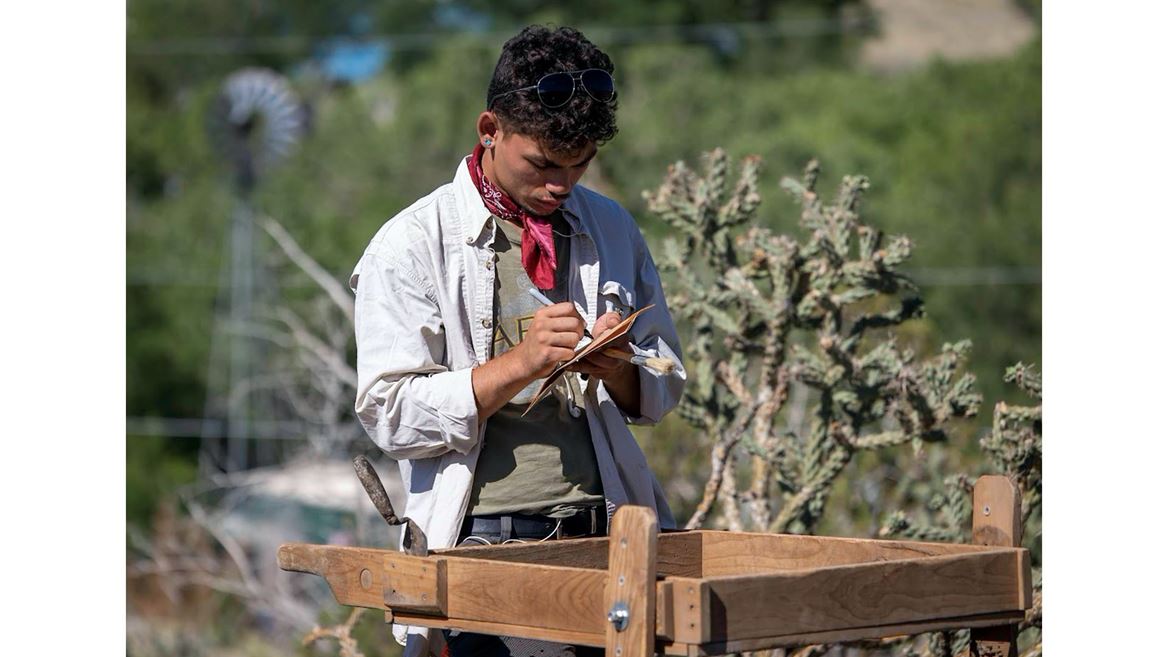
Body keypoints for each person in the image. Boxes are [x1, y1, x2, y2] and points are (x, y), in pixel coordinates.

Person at [350, 24, 686, 657]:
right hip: (485, 546)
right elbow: (389, 415)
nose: (562, 183)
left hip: (609, 533)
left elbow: (665, 383)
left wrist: (618, 367)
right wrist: (523, 363)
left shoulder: (612, 227)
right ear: (490, 130)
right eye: (543, 164)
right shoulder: (412, 244)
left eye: (580, 164)